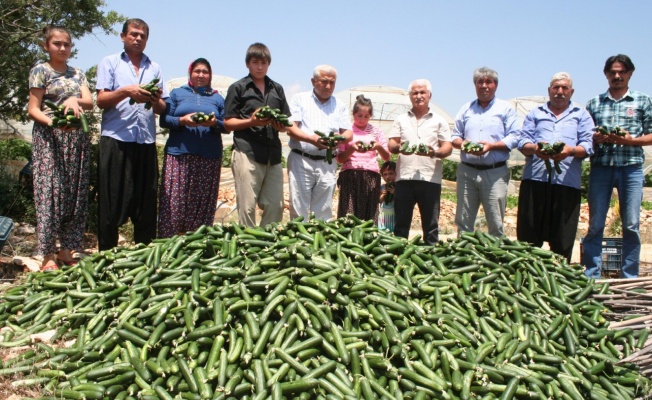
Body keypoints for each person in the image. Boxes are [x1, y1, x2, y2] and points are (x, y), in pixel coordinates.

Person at [96, 18, 168, 250]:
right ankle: (106, 258)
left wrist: (155, 99)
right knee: (111, 201)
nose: (138, 39)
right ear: (123, 36)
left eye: (142, 36)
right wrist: (126, 91)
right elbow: (101, 100)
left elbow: (161, 109)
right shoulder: (110, 63)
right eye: (134, 34)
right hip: (116, 140)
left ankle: (144, 259)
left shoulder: (154, 68)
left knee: (145, 203)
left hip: (145, 141)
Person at [27, 26, 93, 271]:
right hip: (50, 138)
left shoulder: (78, 73)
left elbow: (89, 102)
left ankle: (66, 249)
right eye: (57, 44)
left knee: (73, 195)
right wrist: (53, 122)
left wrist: (74, 99)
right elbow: (33, 109)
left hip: (76, 140)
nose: (63, 48)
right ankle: (46, 255)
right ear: (46, 46)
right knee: (50, 195)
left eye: (67, 44)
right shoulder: (40, 70)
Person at [583, 54, 652, 278]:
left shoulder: (642, 101)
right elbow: (585, 135)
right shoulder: (594, 103)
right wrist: (596, 138)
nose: (617, 76)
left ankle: (629, 274)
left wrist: (629, 140)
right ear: (606, 75)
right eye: (612, 72)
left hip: (631, 168)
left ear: (630, 74)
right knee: (595, 223)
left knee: (631, 224)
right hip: (601, 167)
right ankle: (592, 273)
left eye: (621, 72)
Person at [517, 72, 594, 262]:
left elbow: (588, 145)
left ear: (571, 91)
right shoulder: (536, 113)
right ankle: (528, 275)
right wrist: (536, 148)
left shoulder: (581, 115)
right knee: (529, 234)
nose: (560, 92)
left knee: (562, 237)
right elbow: (523, 141)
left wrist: (570, 150)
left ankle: (560, 279)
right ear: (549, 90)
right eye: (556, 88)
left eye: (564, 88)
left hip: (566, 183)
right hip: (535, 180)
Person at [158, 58, 225, 238]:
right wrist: (182, 120)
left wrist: (214, 123)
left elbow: (226, 125)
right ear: (190, 73)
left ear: (210, 75)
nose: (201, 75)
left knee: (201, 206)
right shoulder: (177, 93)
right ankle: (168, 247)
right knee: (174, 204)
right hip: (179, 155)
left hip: (209, 157)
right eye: (197, 71)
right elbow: (164, 120)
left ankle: (196, 248)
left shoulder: (217, 98)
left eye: (205, 71)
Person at [224, 43, 289, 227]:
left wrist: (280, 125)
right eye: (255, 62)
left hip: (273, 155)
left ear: (269, 64)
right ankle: (247, 248)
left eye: (263, 62)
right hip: (247, 151)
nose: (259, 67)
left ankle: (266, 245)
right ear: (247, 64)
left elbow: (286, 123)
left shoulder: (277, 89)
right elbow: (228, 123)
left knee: (276, 205)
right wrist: (251, 122)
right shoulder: (238, 88)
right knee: (247, 207)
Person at [451, 67, 520, 237]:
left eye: (488, 82)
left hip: (494, 172)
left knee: (495, 221)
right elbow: (455, 136)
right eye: (480, 82)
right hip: (467, 171)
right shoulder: (466, 109)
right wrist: (463, 144)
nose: (484, 86)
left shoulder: (506, 109)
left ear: (495, 85)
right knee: (464, 220)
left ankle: (495, 258)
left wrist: (492, 146)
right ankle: (463, 256)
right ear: (475, 85)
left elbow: (515, 136)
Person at [388, 79, 453, 244]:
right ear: (410, 96)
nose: (418, 96)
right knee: (401, 225)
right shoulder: (401, 119)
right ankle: (398, 261)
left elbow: (448, 147)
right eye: (414, 93)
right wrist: (398, 147)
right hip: (404, 178)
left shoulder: (439, 120)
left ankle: (430, 261)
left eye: (422, 92)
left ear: (429, 95)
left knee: (431, 226)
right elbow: (392, 144)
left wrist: (435, 152)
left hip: (430, 179)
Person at [287, 65, 353, 220]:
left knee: (324, 209)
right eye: (324, 81)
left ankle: (321, 242)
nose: (328, 86)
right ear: (313, 81)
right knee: (298, 207)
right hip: (301, 160)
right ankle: (299, 242)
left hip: (327, 162)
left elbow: (348, 133)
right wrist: (311, 139)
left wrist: (338, 139)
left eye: (332, 82)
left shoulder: (340, 105)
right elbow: (291, 128)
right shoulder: (299, 99)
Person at [336, 95, 390, 221]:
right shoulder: (346, 131)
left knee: (369, 213)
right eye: (359, 115)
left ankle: (368, 239)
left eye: (366, 116)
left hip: (371, 176)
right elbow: (340, 159)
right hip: (349, 175)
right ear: (353, 114)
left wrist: (378, 147)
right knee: (348, 213)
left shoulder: (376, 132)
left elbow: (387, 157)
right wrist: (353, 148)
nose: (362, 119)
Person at [378, 161, 397, 232]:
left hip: (394, 215)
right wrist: (383, 195)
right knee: (383, 232)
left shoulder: (398, 187)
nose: (388, 176)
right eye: (385, 174)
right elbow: (379, 201)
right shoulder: (382, 187)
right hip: (384, 215)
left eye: (391, 173)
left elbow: (401, 201)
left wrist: (395, 193)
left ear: (396, 174)